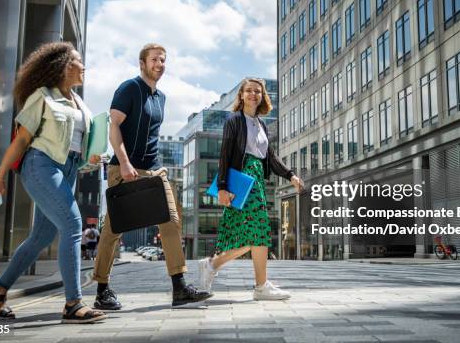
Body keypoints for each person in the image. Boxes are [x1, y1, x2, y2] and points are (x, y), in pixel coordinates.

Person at [0, 42, 106, 324]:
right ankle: (73, 304)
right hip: (42, 165)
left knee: (41, 237)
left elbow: (78, 145)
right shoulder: (42, 96)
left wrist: (92, 156)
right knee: (73, 225)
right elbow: (22, 140)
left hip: (70, 170)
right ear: (64, 66)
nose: (83, 66)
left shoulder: (80, 103)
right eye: (78, 61)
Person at [92, 43, 212, 309]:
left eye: (163, 60)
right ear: (142, 63)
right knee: (114, 229)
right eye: (155, 59)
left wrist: (158, 170)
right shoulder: (129, 88)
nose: (160, 64)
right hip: (125, 169)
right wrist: (123, 162)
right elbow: (114, 127)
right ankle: (102, 289)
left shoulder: (162, 98)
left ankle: (179, 287)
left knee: (171, 221)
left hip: (155, 170)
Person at [198, 78, 304, 300]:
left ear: (263, 96)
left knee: (256, 234)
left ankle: (224, 270)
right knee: (256, 232)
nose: (253, 94)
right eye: (249, 91)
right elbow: (225, 154)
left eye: (258, 91)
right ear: (241, 95)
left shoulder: (261, 124)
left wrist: (290, 175)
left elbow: (270, 157)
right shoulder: (234, 121)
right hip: (241, 179)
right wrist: (223, 188)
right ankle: (251, 283)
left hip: (256, 180)